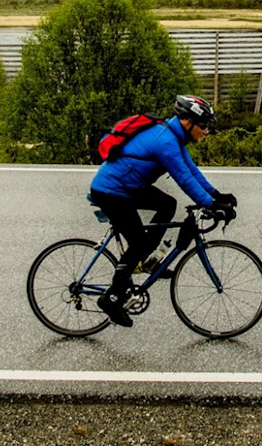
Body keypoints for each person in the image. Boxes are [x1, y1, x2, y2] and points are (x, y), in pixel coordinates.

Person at [88, 94, 237, 327]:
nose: (206, 131)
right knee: (137, 242)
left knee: (168, 205)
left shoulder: (173, 137)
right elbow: (183, 180)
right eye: (204, 125)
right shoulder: (165, 141)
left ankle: (147, 260)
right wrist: (210, 205)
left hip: (129, 187)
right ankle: (112, 299)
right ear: (188, 122)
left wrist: (217, 196)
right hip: (111, 191)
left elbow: (192, 171)